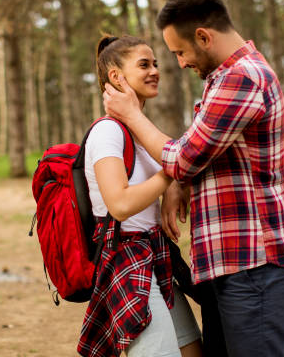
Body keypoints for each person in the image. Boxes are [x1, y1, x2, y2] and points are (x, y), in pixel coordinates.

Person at [102, 0, 284, 357]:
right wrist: (179, 181)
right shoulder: (221, 80)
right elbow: (198, 154)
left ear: (203, 37)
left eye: (180, 52)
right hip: (234, 264)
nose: (178, 63)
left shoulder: (242, 78)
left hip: (254, 263)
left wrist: (132, 115)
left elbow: (184, 158)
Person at [77, 34, 203, 357]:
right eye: (144, 65)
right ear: (116, 76)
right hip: (127, 262)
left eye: (155, 64)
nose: (155, 71)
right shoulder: (108, 132)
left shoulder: (137, 131)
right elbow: (119, 205)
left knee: (191, 350)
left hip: (155, 260)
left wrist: (175, 183)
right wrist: (169, 173)